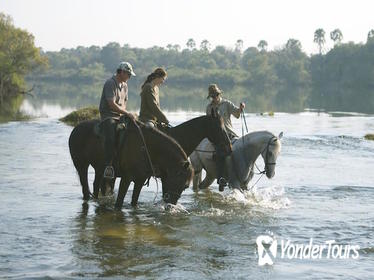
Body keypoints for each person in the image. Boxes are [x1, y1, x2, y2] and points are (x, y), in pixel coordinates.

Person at [99, 61, 136, 179]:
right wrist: (126, 113)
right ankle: (109, 166)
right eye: (128, 75)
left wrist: (127, 115)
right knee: (111, 136)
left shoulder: (125, 85)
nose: (129, 77)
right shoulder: (110, 83)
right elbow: (111, 104)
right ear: (122, 72)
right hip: (109, 116)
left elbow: (124, 104)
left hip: (120, 116)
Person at [206, 83, 245, 191]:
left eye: (216, 95)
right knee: (220, 153)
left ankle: (244, 175)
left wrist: (241, 108)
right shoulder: (209, 108)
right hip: (217, 137)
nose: (215, 98)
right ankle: (221, 178)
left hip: (230, 133)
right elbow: (208, 124)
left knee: (242, 148)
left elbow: (237, 114)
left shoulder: (226, 103)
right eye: (213, 96)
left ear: (219, 94)